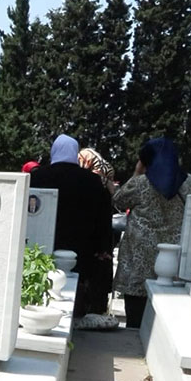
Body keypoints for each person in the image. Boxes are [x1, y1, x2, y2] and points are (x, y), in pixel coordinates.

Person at [113, 137, 191, 329]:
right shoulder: (190, 182)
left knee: (135, 322)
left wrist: (137, 173)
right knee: (168, 324)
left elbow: (118, 201)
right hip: (174, 262)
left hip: (138, 263)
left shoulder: (141, 183)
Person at [30, 134, 117, 330]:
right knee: (74, 289)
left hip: (44, 244)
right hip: (82, 247)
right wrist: (103, 246)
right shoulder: (92, 181)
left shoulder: (38, 176)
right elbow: (104, 216)